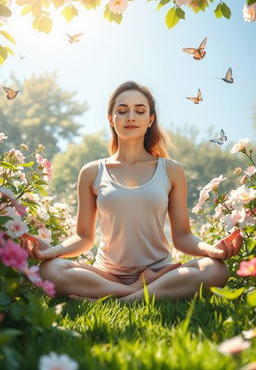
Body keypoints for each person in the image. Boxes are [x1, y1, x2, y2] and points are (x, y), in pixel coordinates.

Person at [21, 81, 243, 301]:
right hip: (106, 275)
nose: (131, 117)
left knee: (216, 270)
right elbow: (83, 237)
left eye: (140, 110)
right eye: (122, 110)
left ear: (150, 120)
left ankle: (120, 300)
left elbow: (183, 237)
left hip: (160, 274)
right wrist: (50, 252)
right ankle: (135, 293)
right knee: (49, 270)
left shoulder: (171, 170)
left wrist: (212, 251)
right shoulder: (91, 171)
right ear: (111, 119)